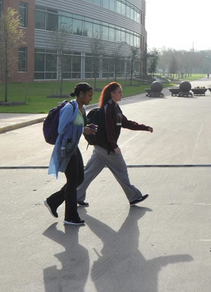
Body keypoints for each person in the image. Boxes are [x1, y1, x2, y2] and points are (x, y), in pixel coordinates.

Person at [76, 82, 153, 207]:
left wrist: (145, 127)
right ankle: (134, 196)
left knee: (89, 172)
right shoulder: (108, 108)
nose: (121, 94)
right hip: (106, 147)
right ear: (112, 94)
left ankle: (76, 196)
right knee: (121, 171)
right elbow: (108, 129)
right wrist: (114, 146)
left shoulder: (115, 107)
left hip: (102, 146)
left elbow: (126, 123)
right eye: (119, 92)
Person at [44, 82, 97, 226]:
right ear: (81, 94)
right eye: (89, 95)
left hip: (73, 146)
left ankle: (52, 201)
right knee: (73, 181)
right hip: (65, 148)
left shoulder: (82, 109)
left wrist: (88, 128)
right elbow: (62, 129)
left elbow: (78, 126)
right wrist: (82, 130)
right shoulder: (70, 108)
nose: (91, 98)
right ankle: (70, 217)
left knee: (79, 178)